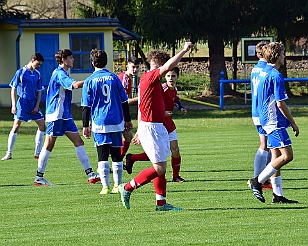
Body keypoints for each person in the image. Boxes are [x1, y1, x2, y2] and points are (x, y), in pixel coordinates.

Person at [119, 42, 193, 211]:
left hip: (155, 127)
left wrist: (138, 129)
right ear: (160, 65)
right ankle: (128, 187)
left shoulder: (151, 81)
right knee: (159, 167)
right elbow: (169, 66)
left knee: (160, 166)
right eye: (163, 67)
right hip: (152, 127)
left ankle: (161, 203)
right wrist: (183, 50)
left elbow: (141, 105)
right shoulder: (151, 76)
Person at [33, 49, 100, 186]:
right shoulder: (59, 73)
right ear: (64, 60)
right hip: (56, 115)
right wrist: (92, 79)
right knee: (49, 145)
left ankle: (90, 174)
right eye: (71, 57)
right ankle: (39, 177)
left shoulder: (62, 73)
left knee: (79, 142)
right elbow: (74, 85)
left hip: (65, 116)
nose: (73, 60)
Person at [248, 42, 299, 204]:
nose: (285, 56)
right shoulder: (275, 75)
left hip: (264, 119)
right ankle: (258, 181)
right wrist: (293, 122)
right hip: (273, 121)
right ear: (277, 56)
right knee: (287, 156)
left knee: (276, 156)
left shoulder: (263, 71)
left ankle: (278, 195)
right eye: (283, 54)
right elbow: (280, 104)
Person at [81, 49, 133, 195]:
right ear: (107, 61)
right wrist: (127, 120)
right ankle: (118, 185)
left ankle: (105, 187)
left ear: (92, 63)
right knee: (116, 153)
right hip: (116, 121)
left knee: (102, 155)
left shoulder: (89, 81)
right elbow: (124, 101)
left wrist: (85, 125)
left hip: (99, 122)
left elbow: (86, 106)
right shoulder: (114, 78)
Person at [125, 67, 187, 182]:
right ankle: (132, 158)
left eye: (173, 76)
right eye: (168, 76)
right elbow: (153, 104)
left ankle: (176, 176)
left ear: (177, 77)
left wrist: (181, 108)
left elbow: (175, 99)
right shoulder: (161, 88)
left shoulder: (174, 89)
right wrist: (163, 113)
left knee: (175, 150)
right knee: (158, 155)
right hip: (157, 124)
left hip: (168, 124)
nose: (171, 78)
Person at [2, 53, 46, 161]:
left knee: (42, 126)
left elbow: (39, 91)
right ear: (32, 60)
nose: (39, 66)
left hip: (33, 103)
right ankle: (9, 153)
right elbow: (13, 88)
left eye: (40, 65)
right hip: (22, 103)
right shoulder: (20, 72)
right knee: (16, 126)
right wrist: (13, 104)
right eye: (38, 64)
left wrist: (37, 106)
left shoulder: (37, 74)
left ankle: (38, 152)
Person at [250, 41, 272, 190]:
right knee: (265, 146)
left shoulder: (255, 69)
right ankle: (258, 180)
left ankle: (264, 178)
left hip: (256, 110)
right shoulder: (266, 69)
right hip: (263, 111)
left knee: (268, 145)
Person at [118, 57, 140, 159]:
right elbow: (124, 101)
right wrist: (140, 98)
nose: (135, 70)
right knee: (125, 137)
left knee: (127, 137)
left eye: (137, 67)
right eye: (133, 67)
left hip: (120, 112)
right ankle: (115, 161)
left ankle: (118, 160)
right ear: (127, 66)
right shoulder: (124, 79)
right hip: (117, 112)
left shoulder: (128, 79)